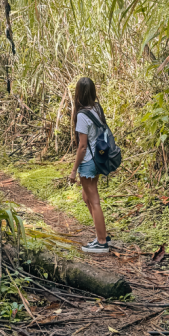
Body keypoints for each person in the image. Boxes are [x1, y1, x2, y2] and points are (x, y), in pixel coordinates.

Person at [69, 77, 111, 253]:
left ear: (78, 93)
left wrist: (73, 170)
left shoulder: (81, 115)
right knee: (87, 197)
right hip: (98, 159)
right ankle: (101, 234)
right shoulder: (97, 108)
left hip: (88, 162)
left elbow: (82, 146)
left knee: (93, 200)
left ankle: (101, 242)